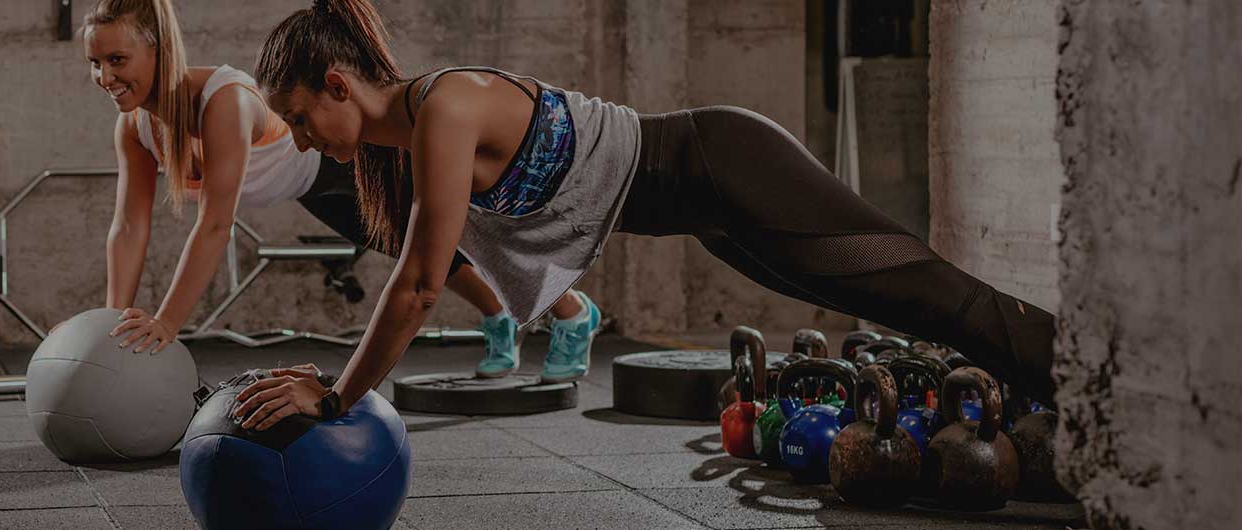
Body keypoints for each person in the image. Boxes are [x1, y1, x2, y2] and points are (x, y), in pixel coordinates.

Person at [230, 0, 1056, 433]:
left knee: (914, 286)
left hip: (725, 164)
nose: (300, 139)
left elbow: (415, 285)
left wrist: (334, 398)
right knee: (884, 301)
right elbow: (425, 266)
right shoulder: (410, 140)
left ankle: (1081, 376)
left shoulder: (443, 110)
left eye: (301, 118)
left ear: (339, 85)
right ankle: (1049, 393)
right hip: (711, 212)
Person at [83, 0, 599, 382]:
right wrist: (111, 329)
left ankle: (572, 312)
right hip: (314, 183)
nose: (104, 76)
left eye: (117, 60)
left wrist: (167, 324)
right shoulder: (136, 130)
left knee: (459, 234)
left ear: (157, 48)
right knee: (412, 247)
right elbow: (128, 228)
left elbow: (215, 224)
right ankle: (497, 317)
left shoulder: (222, 102)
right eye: (96, 63)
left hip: (339, 152)